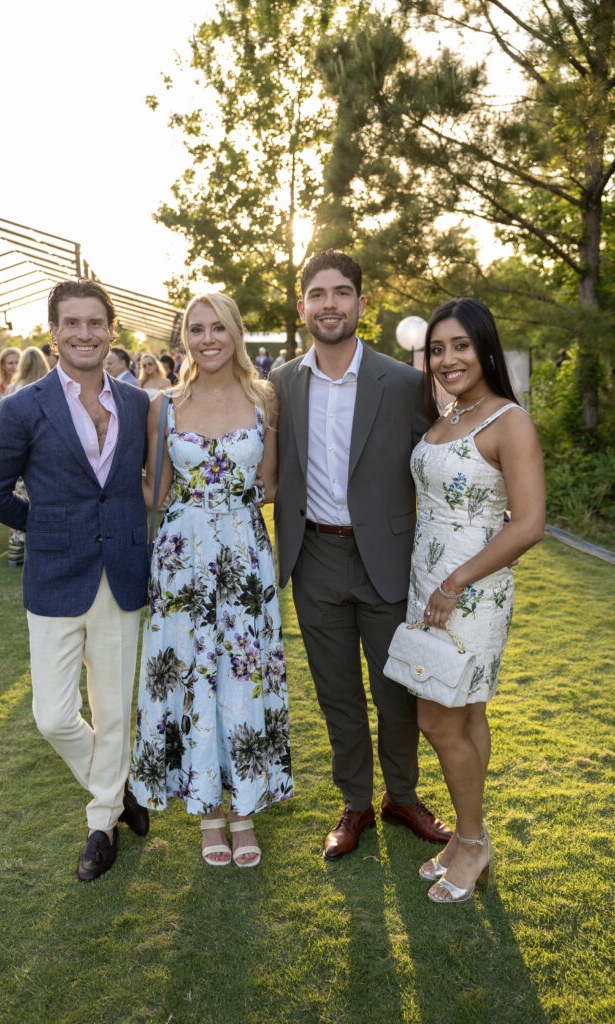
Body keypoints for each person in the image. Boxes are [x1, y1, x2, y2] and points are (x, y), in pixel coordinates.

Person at [270, 249, 451, 861]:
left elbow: (444, 454)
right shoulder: (280, 385)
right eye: (318, 294)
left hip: (388, 559)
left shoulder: (403, 383)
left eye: (341, 292)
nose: (330, 304)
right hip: (313, 556)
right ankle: (355, 803)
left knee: (397, 691)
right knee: (337, 693)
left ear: (361, 303)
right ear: (303, 306)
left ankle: (403, 797)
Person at [0, 280, 152, 881]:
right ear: (53, 332)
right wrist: (44, 524)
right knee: (52, 715)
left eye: (95, 322)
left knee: (114, 708)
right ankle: (118, 787)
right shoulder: (23, 406)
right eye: (71, 323)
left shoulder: (138, 404)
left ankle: (102, 822)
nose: (83, 333)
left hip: (122, 572)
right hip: (54, 574)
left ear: (111, 329)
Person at [130, 292, 292, 868]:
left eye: (217, 327)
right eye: (196, 329)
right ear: (185, 339)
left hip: (244, 555)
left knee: (242, 672)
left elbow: (269, 485)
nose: (207, 339)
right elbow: (156, 492)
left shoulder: (264, 399)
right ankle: (209, 813)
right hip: (182, 559)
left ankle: (244, 810)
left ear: (236, 332)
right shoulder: (165, 406)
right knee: (192, 674)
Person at [407, 297, 545, 904]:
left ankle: (471, 841)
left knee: (436, 720)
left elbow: (529, 524)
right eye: (437, 349)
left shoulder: (509, 422)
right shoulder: (449, 412)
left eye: (460, 345)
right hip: (428, 586)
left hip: (470, 592)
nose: (447, 359)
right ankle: (466, 842)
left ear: (485, 347)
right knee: (468, 717)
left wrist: (455, 582)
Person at [4, 347, 51, 567]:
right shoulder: (49, 389)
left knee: (18, 502)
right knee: (40, 503)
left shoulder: (12, 388)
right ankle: (38, 550)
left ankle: (15, 554)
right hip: (41, 454)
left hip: (16, 454)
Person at [0, 347, 21, 417]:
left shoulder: (26, 384)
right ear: (2, 365)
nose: (15, 366)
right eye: (10, 363)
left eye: (17, 362)